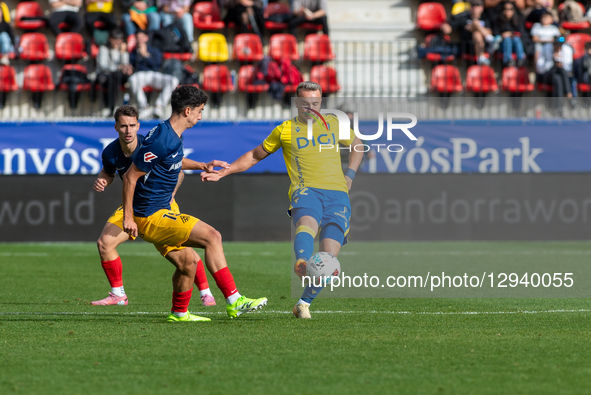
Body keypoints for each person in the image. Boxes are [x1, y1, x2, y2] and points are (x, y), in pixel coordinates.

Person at [202, 81, 364, 319]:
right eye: (306, 103)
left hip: (338, 195)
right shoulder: (285, 130)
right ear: (297, 103)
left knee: (329, 259)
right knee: (307, 223)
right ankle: (301, 261)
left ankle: (303, 303)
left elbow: (357, 145)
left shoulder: (334, 124)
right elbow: (255, 155)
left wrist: (349, 176)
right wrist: (225, 171)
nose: (311, 108)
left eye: (316, 103)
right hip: (306, 190)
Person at [122, 85, 268, 322]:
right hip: (151, 216)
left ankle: (179, 313)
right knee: (213, 236)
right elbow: (130, 177)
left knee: (188, 263)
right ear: (187, 110)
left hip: (160, 212)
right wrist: (128, 218)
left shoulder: (171, 135)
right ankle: (235, 300)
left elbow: (174, 160)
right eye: (199, 111)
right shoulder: (162, 138)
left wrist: (203, 165)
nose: (200, 116)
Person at [92, 105, 217, 307]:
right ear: (116, 127)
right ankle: (118, 294)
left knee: (180, 253)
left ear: (138, 125)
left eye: (132, 125)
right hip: (132, 206)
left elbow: (177, 164)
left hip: (158, 207)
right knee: (105, 243)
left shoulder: (148, 143)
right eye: (123, 126)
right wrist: (103, 180)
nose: (128, 130)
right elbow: (108, 172)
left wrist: (201, 166)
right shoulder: (110, 152)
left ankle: (205, 292)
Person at [128, 30, 179, 119]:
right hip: (140, 75)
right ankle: (144, 107)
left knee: (173, 80)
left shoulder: (154, 50)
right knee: (132, 79)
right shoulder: (133, 52)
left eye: (141, 37)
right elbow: (132, 67)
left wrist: (146, 55)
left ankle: (158, 107)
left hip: (154, 74)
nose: (140, 40)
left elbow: (157, 65)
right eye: (137, 38)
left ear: (146, 38)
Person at [441, 0, 493, 65]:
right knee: (476, 29)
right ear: (470, 7)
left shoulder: (485, 18)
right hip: (468, 46)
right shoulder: (463, 17)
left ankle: (482, 56)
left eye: (477, 5)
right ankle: (491, 40)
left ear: (482, 8)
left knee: (476, 29)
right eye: (473, 5)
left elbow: (489, 31)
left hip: (483, 46)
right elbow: (450, 27)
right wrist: (445, 26)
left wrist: (474, 26)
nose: (475, 8)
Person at [95, 29, 133, 117]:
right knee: (114, 77)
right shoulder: (103, 49)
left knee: (128, 76)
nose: (118, 42)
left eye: (120, 40)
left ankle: (128, 107)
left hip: (117, 76)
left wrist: (123, 53)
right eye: (115, 39)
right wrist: (118, 67)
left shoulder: (122, 50)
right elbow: (103, 66)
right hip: (104, 76)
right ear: (110, 39)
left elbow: (125, 65)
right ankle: (110, 107)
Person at [536, 36, 575, 113]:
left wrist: (561, 63)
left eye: (560, 45)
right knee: (558, 71)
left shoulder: (567, 49)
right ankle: (569, 94)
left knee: (558, 79)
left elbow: (569, 69)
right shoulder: (545, 48)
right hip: (546, 75)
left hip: (559, 77)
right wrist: (552, 61)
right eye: (556, 45)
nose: (558, 47)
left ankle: (559, 108)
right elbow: (540, 68)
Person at [493, 1, 527, 66]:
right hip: (502, 45)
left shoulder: (518, 20)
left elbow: (522, 34)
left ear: (514, 10)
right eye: (505, 9)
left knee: (516, 39)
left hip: (516, 45)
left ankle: (521, 60)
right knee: (507, 40)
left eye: (510, 9)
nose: (508, 11)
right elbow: (495, 34)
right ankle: (507, 61)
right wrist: (503, 35)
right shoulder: (498, 20)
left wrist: (511, 34)